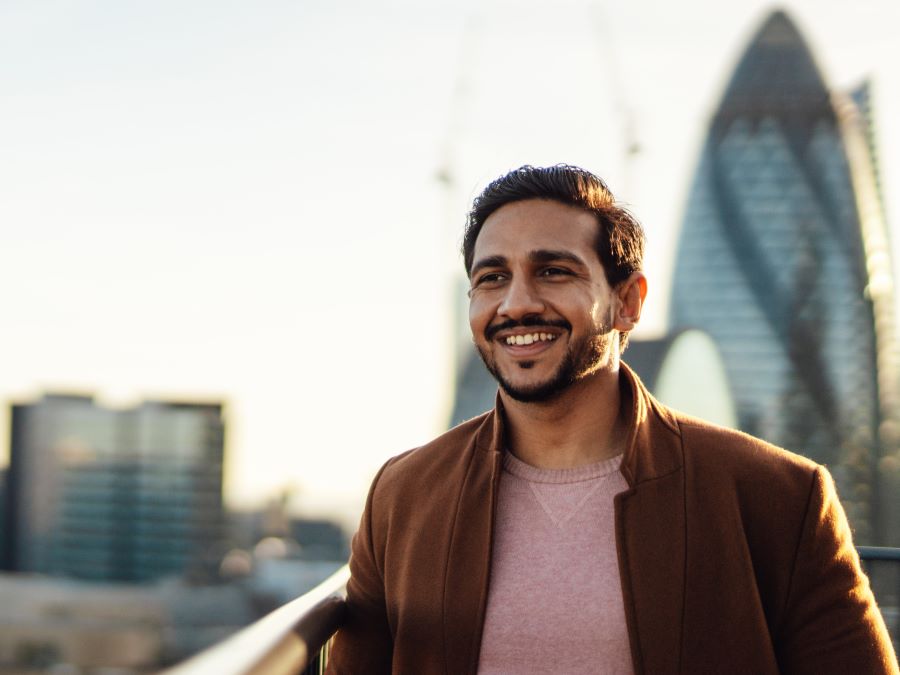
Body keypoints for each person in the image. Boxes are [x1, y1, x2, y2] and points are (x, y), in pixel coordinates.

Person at [326, 165, 898, 674]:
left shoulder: (779, 495)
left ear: (628, 301)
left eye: (553, 271)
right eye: (491, 278)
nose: (516, 303)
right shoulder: (402, 496)